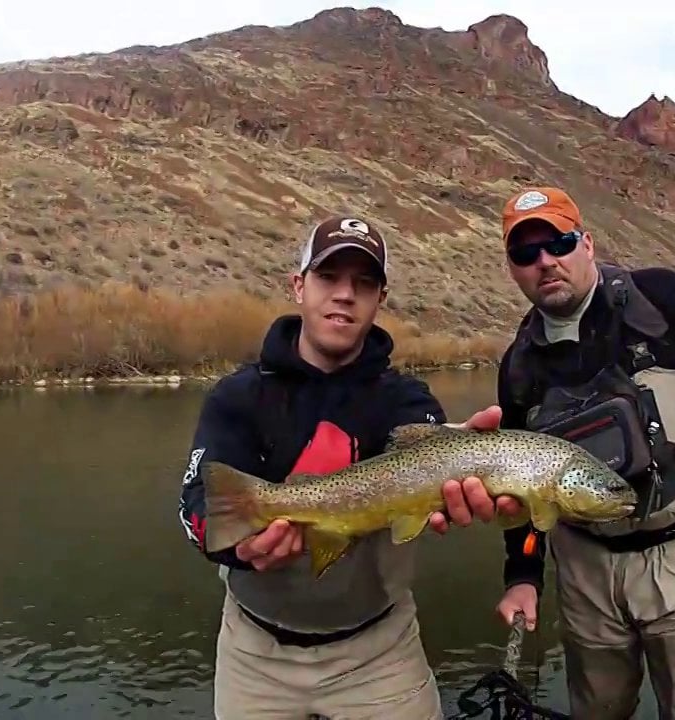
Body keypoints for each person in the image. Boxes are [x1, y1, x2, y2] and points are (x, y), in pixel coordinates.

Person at [176, 214, 520, 720]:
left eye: (363, 283)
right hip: (255, 654)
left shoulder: (406, 400)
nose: (344, 295)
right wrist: (237, 547)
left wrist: (466, 455)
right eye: (328, 277)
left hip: (380, 651)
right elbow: (196, 509)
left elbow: (430, 461)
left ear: (380, 300)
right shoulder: (238, 397)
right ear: (298, 286)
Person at [487, 187, 675, 719]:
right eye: (525, 253)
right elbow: (519, 482)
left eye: (558, 241)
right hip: (585, 573)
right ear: (513, 269)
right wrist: (523, 577)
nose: (545, 261)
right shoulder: (519, 364)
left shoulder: (663, 300)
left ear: (587, 243)